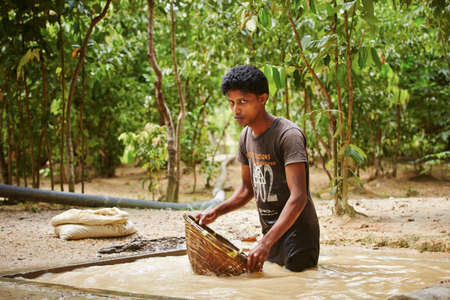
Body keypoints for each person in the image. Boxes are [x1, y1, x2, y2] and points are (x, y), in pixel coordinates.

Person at [196, 65, 319, 272]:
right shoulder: (245, 137)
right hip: (271, 233)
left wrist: (264, 243)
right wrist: (215, 212)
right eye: (231, 103)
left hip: (298, 234)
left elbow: (299, 197)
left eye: (243, 102)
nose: (236, 110)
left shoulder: (288, 135)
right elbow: (246, 191)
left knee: (297, 286)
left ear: (262, 99)